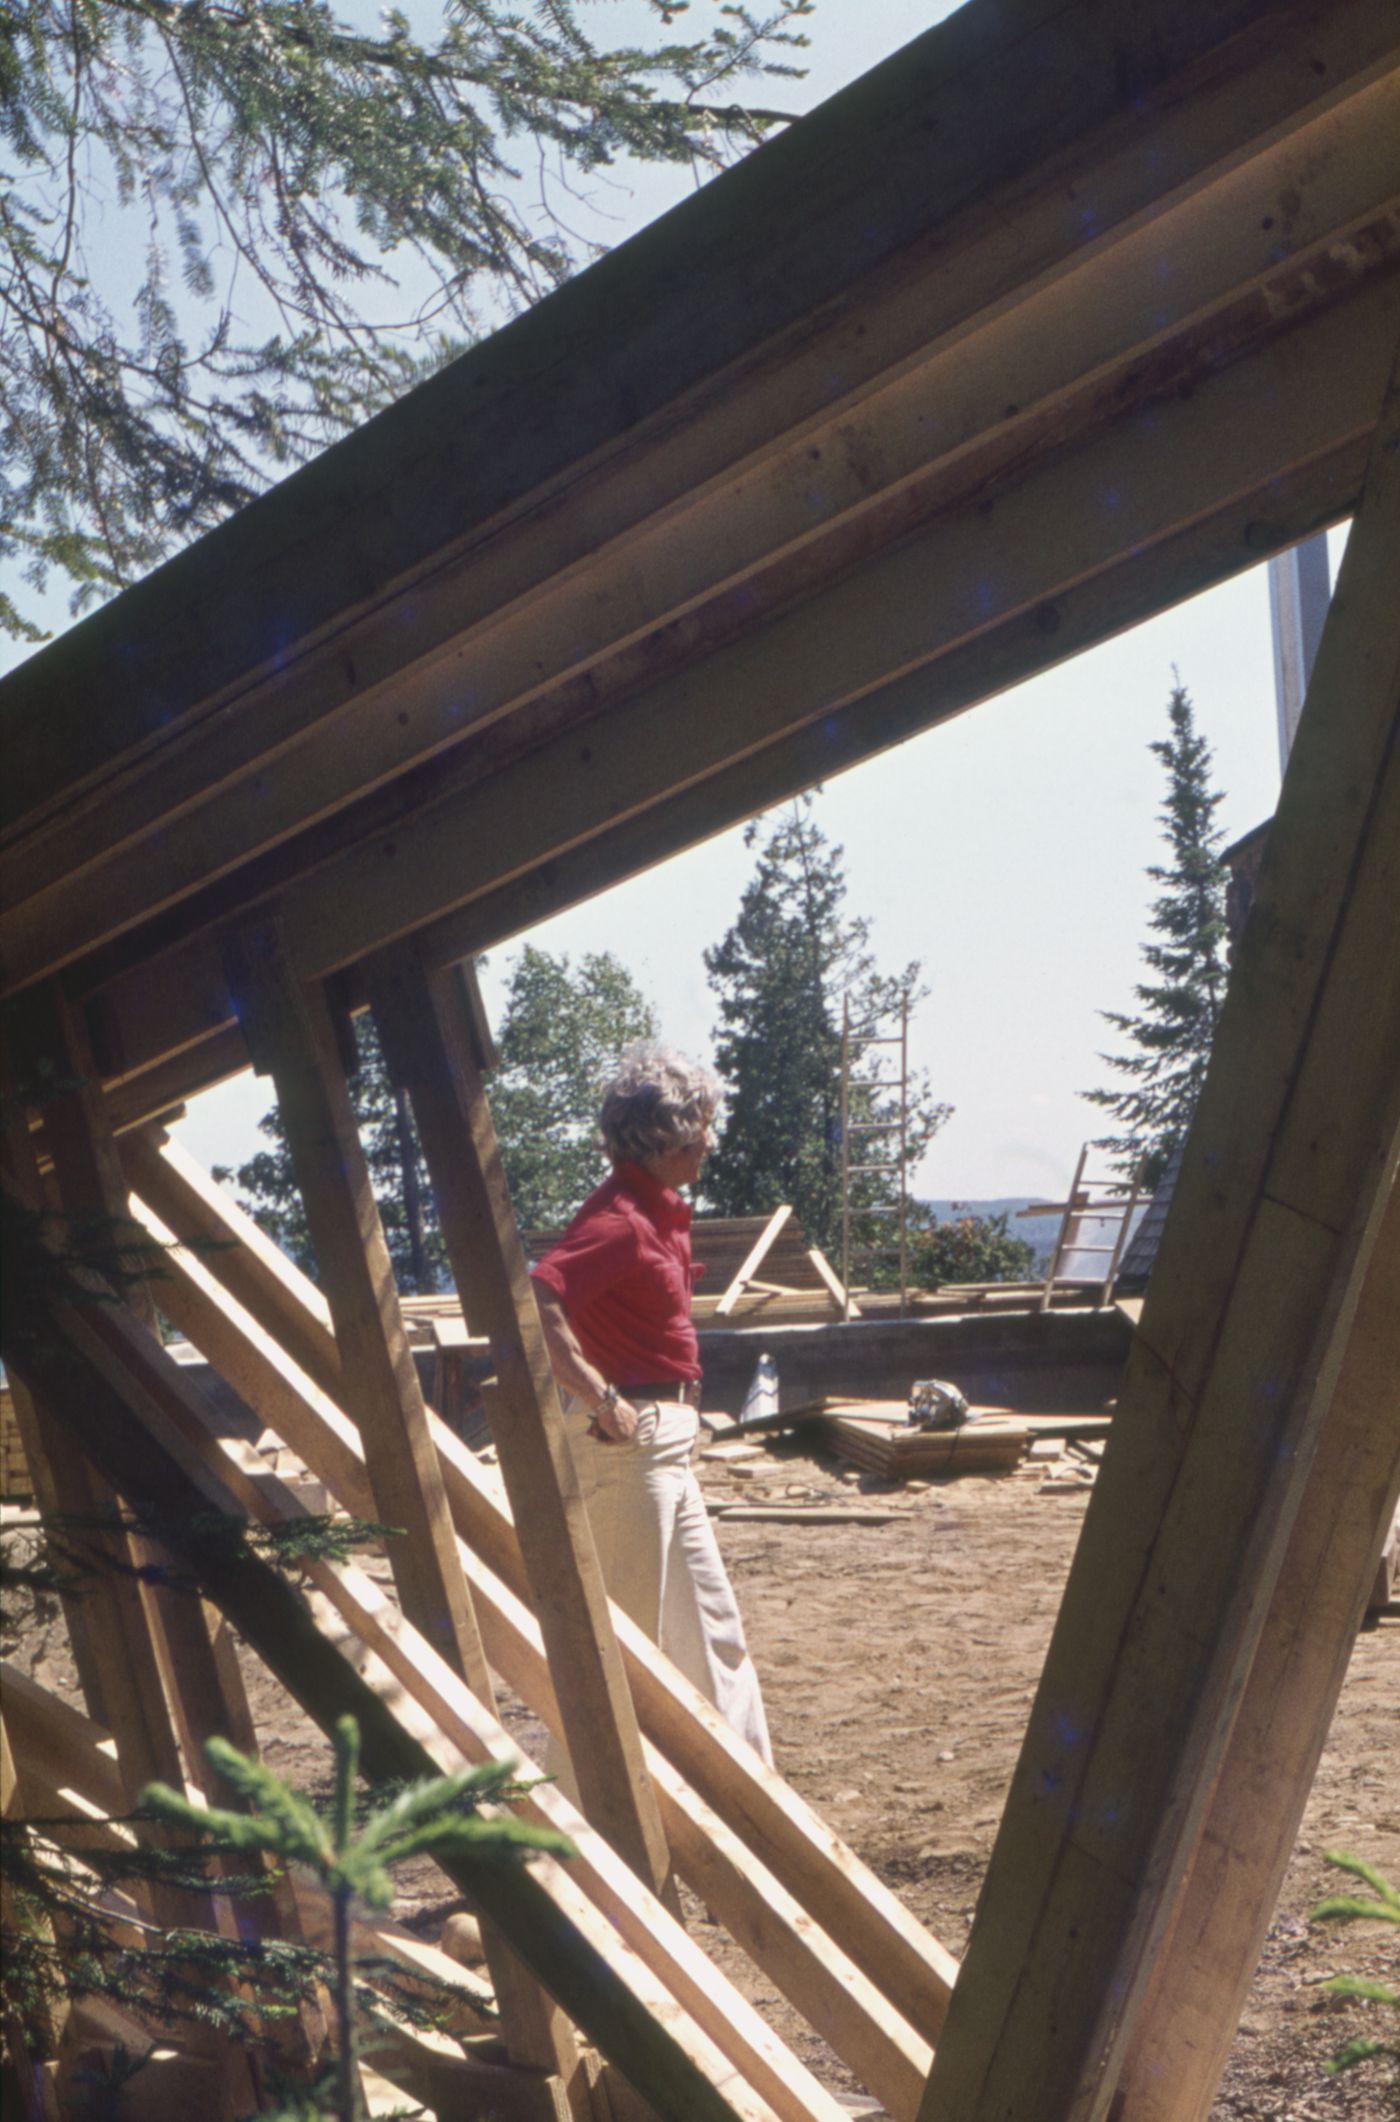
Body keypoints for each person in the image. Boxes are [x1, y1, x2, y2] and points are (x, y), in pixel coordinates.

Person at [531, 1042, 772, 1764]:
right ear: (665, 1136)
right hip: (629, 1448)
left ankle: (755, 1806)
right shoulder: (621, 1220)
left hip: (665, 1445)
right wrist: (600, 1397)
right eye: (703, 1125)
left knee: (714, 1637)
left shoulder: (657, 1213)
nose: (711, 1141)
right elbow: (536, 1300)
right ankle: (571, 1836)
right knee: (624, 1648)